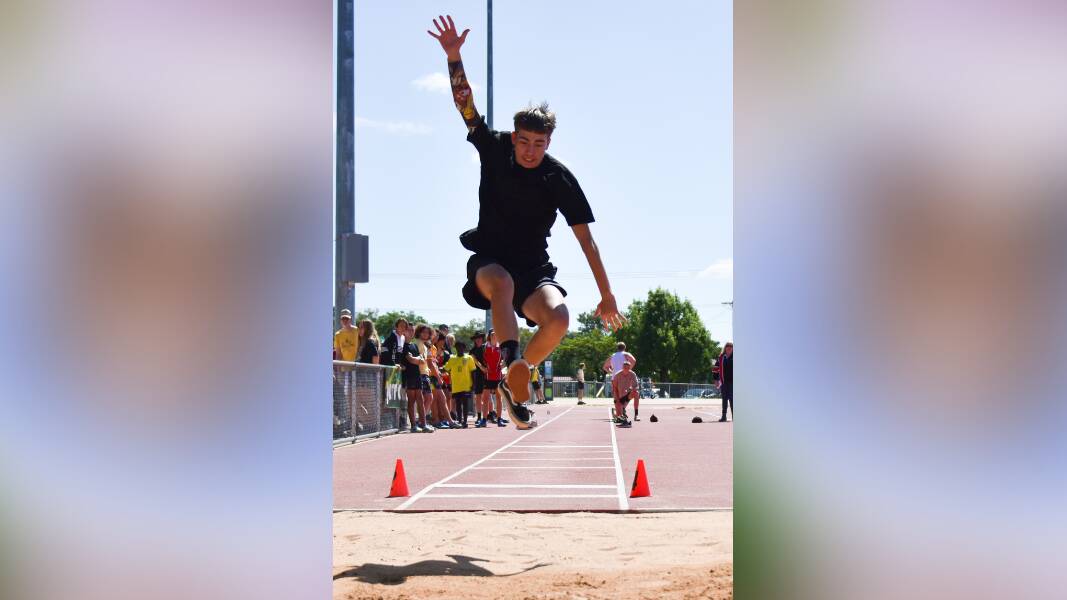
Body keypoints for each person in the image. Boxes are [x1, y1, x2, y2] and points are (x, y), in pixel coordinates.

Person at [427, 15, 626, 430]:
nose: (530, 151)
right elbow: (465, 107)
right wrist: (454, 58)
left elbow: (587, 241)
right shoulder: (495, 148)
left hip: (535, 269)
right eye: (524, 142)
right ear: (514, 136)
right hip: (490, 261)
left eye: (539, 144)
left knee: (559, 319)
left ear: (548, 142)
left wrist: (607, 294)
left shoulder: (558, 177)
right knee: (502, 282)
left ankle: (518, 376)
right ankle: (514, 361)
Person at [402, 324, 433, 433]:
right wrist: (417, 359)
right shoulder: (404, 346)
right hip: (409, 376)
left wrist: (418, 359)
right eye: (408, 330)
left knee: (420, 399)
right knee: (411, 400)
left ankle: (423, 424)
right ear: (404, 332)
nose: (411, 332)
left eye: (412, 330)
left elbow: (421, 359)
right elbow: (410, 359)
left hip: (417, 375)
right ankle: (413, 426)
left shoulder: (414, 346)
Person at [444, 341, 478, 428]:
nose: (460, 349)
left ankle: (465, 421)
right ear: (456, 348)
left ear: (464, 348)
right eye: (458, 347)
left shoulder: (469, 358)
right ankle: (459, 420)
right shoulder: (452, 359)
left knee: (465, 403)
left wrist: (474, 383)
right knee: (458, 404)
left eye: (461, 347)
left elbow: (473, 371)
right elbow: (446, 368)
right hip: (456, 386)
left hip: (466, 385)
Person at [604, 343, 639, 419]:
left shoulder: (612, 356)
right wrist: (629, 369)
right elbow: (634, 361)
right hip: (625, 376)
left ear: (617, 348)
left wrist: (611, 372)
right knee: (627, 394)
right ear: (625, 347)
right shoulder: (626, 354)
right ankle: (621, 411)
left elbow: (605, 367)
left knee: (617, 396)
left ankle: (619, 411)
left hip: (615, 378)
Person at [482, 329, 508, 427]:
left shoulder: (501, 347)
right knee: (486, 399)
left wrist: (503, 364)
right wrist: (483, 367)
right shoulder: (484, 347)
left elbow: (506, 359)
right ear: (489, 335)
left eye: (496, 334)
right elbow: (480, 360)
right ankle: (484, 420)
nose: (494, 336)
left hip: (498, 376)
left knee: (498, 398)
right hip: (488, 376)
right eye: (492, 334)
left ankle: (499, 419)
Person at [469, 331, 489, 426]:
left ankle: (490, 414)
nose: (478, 340)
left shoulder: (487, 348)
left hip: (487, 374)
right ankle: (479, 416)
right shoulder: (472, 351)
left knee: (487, 396)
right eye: (476, 338)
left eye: (480, 337)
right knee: (478, 396)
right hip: (477, 375)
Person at [612, 361, 640, 428]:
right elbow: (614, 388)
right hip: (619, 396)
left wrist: (633, 388)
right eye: (625, 367)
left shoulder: (632, 374)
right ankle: (617, 412)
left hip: (628, 394)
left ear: (630, 368)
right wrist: (616, 398)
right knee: (619, 417)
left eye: (628, 367)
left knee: (636, 393)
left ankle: (636, 415)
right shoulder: (617, 375)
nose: (626, 369)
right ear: (622, 367)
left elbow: (636, 386)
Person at [718, 342, 733, 422]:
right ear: (725, 348)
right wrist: (715, 379)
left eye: (731, 346)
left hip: (733, 383)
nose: (729, 348)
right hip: (724, 382)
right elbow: (716, 368)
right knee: (724, 399)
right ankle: (724, 416)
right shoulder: (721, 357)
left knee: (732, 400)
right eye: (728, 346)